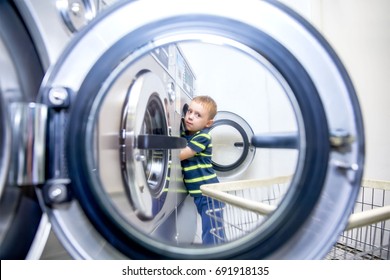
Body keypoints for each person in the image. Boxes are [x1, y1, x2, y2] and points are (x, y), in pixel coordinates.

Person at [180, 95, 225, 245]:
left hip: (209, 194)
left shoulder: (203, 137)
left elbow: (181, 154)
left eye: (198, 115)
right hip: (201, 195)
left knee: (212, 232)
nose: (191, 117)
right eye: (189, 111)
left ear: (208, 123)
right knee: (213, 231)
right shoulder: (187, 135)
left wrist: (160, 147)